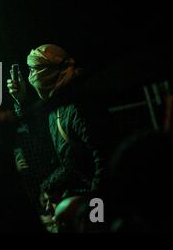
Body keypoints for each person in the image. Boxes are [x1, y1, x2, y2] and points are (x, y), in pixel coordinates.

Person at [7, 44, 114, 193]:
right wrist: (21, 100)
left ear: (48, 72)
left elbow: (105, 160)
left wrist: (93, 210)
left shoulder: (78, 105)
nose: (30, 77)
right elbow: (44, 141)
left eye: (33, 70)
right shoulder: (58, 106)